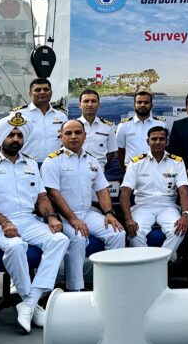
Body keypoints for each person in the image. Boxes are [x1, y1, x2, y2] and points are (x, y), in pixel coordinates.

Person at [0, 113, 70, 334]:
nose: (15, 139)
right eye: (11, 135)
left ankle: (29, 302)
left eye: (19, 135)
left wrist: (51, 216)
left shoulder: (31, 163)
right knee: (15, 246)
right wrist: (4, 221)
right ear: (0, 138)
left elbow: (42, 197)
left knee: (60, 240)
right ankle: (30, 302)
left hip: (28, 220)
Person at [41, 119, 126, 291]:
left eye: (77, 133)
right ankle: (75, 289)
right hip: (62, 216)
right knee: (78, 238)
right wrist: (73, 219)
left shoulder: (92, 161)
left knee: (117, 233)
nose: (73, 136)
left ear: (85, 136)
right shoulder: (53, 161)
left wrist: (109, 213)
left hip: (87, 213)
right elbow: (53, 194)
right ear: (61, 137)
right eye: (68, 133)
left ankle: (110, 284)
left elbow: (102, 190)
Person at [120, 126, 188, 252]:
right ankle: (153, 261)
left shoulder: (177, 162)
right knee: (135, 233)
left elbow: (183, 191)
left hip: (168, 206)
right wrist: (128, 219)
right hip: (142, 206)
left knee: (178, 231)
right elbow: (125, 193)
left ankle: (158, 262)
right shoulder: (136, 163)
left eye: (161, 139)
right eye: (154, 139)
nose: (158, 142)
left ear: (167, 142)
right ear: (148, 141)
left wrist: (185, 215)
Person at [6, 78, 67, 162]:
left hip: (55, 164)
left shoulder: (61, 116)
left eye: (46, 89)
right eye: (38, 90)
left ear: (51, 93)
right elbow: (6, 139)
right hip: (27, 164)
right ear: (30, 94)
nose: (42, 92)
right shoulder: (18, 114)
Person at [115, 91, 166, 170]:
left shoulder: (161, 124)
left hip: (155, 168)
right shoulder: (123, 125)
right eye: (139, 102)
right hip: (132, 169)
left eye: (146, 102)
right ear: (134, 105)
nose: (142, 105)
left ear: (151, 105)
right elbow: (119, 151)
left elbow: (166, 148)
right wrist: (125, 170)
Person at [76, 89, 118, 168]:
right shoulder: (72, 126)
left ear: (99, 104)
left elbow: (110, 152)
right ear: (80, 105)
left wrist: (101, 168)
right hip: (76, 170)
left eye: (93, 101)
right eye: (86, 101)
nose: (90, 104)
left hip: (99, 171)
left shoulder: (109, 126)